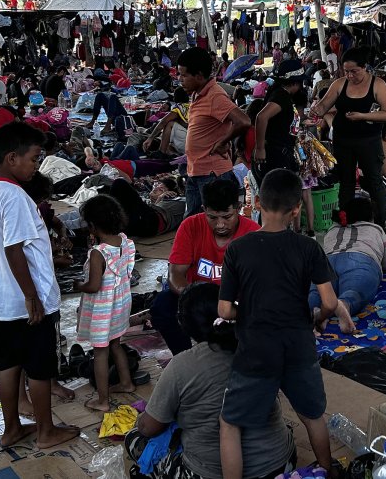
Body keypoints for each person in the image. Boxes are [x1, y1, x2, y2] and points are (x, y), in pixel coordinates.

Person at [218, 169, 336, 479]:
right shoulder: (308, 247)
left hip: (256, 350)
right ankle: (327, 470)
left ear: (257, 202)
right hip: (299, 345)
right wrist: (318, 318)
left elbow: (225, 309)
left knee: (230, 424)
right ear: (297, 209)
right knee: (312, 416)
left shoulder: (237, 249)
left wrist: (250, 311)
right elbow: (329, 302)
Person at [0, 122, 79, 449]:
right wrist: (32, 296)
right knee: (38, 367)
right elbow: (14, 249)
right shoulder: (15, 196)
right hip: (25, 299)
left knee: (9, 365)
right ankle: (46, 431)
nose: (37, 165)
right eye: (34, 158)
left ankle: (11, 430)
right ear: (12, 158)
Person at [128, 282, 295, 479]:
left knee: (135, 438)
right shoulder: (258, 347)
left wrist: (143, 419)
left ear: (184, 324)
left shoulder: (182, 365)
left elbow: (149, 427)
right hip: (283, 463)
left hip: (215, 472)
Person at [154, 179, 259, 354]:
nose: (220, 224)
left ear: (239, 208)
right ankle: (184, 356)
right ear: (204, 209)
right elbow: (175, 274)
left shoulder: (253, 234)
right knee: (162, 306)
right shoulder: (190, 226)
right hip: (199, 301)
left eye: (227, 217)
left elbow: (260, 286)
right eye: (212, 217)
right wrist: (195, 299)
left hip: (237, 304)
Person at [308, 47, 386, 227]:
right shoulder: (339, 84)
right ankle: (345, 221)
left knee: (374, 181)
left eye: (354, 71)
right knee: (346, 182)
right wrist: (315, 110)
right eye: (346, 71)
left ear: (364, 67)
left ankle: (380, 225)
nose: (350, 75)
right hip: (343, 140)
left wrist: (362, 116)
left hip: (369, 140)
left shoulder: (377, 84)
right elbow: (323, 107)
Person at [74, 195, 138, 412]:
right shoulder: (125, 241)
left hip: (103, 310)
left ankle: (102, 400)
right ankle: (126, 383)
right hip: (120, 304)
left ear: (92, 226)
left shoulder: (98, 253)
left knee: (100, 353)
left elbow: (93, 286)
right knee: (116, 344)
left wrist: (79, 285)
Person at [179, 48, 251, 216]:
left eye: (183, 75)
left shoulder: (215, 96)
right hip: (196, 170)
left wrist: (222, 142)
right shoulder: (197, 93)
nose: (180, 80)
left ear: (199, 76)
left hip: (212, 174)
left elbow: (244, 121)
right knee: (194, 222)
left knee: (216, 222)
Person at [310, 196, 386, 334]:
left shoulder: (332, 228)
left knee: (316, 292)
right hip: (360, 259)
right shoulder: (376, 228)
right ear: (370, 216)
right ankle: (344, 303)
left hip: (327, 261)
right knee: (355, 290)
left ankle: (312, 310)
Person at [252, 59, 306, 185]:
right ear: (295, 83)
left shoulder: (281, 94)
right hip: (275, 154)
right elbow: (261, 117)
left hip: (279, 152)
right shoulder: (281, 96)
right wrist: (260, 148)